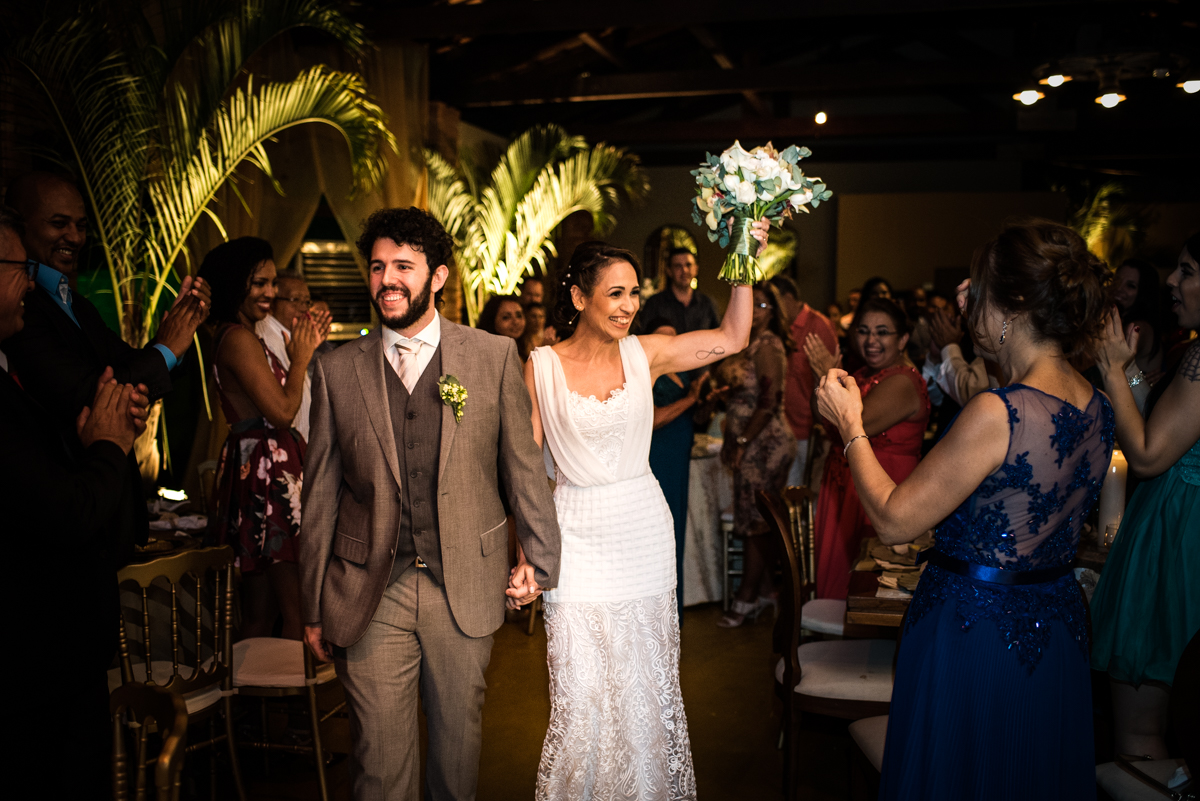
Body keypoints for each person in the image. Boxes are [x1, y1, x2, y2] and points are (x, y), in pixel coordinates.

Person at [817, 219, 1113, 801]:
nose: (966, 304)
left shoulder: (998, 412)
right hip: (1055, 628)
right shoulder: (1097, 403)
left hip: (973, 635)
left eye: (977, 289)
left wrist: (851, 426)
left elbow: (896, 519)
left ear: (1014, 304)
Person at [298, 207, 561, 801]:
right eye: (377, 267)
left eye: (403, 267)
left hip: (463, 583)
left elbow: (522, 469)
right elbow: (320, 494)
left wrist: (539, 564)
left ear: (437, 277)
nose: (387, 280)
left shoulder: (492, 356)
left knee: (456, 761)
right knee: (378, 767)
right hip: (369, 591)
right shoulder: (336, 370)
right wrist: (312, 604)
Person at [518, 224, 767, 800]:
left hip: (643, 532)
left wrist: (745, 254)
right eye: (615, 294)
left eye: (634, 292)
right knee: (580, 693)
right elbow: (529, 473)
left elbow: (732, 336)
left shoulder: (646, 353)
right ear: (579, 297)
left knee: (645, 689)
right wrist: (528, 556)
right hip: (574, 536)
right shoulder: (542, 368)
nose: (629, 306)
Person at [1, 207, 147, 800]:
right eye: (17, 267)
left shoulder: (29, 351)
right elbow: (64, 512)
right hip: (35, 663)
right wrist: (108, 447)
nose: (29, 282)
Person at [2, 172, 209, 562]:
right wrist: (166, 349)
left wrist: (176, 335)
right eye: (59, 223)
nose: (75, 238)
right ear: (18, 224)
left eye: (81, 226)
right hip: (64, 522)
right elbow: (90, 393)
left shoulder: (75, 303)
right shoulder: (21, 313)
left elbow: (126, 367)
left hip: (101, 516)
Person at [1089, 234, 1200, 761]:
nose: (1173, 283)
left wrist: (1110, 370)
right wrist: (1128, 369)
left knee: (1140, 733)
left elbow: (1151, 454)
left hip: (1177, 542)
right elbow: (1164, 424)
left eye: (1187, 271)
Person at [199, 238, 318, 641]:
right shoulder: (237, 338)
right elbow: (283, 412)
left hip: (264, 471)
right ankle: (301, 701)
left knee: (262, 614)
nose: (269, 293)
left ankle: (258, 703)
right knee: (298, 611)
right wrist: (300, 359)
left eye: (271, 283)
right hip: (268, 479)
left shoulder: (241, 334)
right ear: (234, 285)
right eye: (258, 284)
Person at [812, 296, 929, 600]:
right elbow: (824, 417)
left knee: (866, 586)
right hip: (844, 488)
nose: (871, 340)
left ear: (902, 339)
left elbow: (854, 424)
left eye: (882, 332)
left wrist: (829, 377)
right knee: (836, 585)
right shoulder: (862, 375)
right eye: (863, 331)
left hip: (879, 486)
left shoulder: (903, 381)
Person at [715, 282, 797, 627]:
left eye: (764, 307)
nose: (758, 313)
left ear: (775, 313)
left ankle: (746, 597)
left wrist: (743, 441)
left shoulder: (768, 346)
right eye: (754, 306)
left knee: (756, 524)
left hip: (766, 443)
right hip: (752, 441)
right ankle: (764, 591)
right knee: (754, 520)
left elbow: (768, 403)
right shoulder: (745, 343)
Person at [645, 319, 709, 624]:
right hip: (657, 454)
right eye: (662, 338)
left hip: (678, 453)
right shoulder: (645, 371)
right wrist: (690, 400)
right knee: (659, 530)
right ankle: (656, 613)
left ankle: (673, 610)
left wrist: (703, 399)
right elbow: (650, 418)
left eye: (674, 338)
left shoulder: (681, 368)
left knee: (676, 530)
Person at [771, 274, 837, 486]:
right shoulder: (781, 328)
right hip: (783, 426)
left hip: (807, 430)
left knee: (800, 496)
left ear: (788, 298)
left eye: (776, 303)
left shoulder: (818, 326)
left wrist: (822, 432)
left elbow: (831, 378)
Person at [255, 270, 332, 442]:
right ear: (273, 301)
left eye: (306, 301)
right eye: (295, 299)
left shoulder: (291, 335)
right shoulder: (264, 334)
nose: (303, 308)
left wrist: (310, 347)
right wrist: (301, 358)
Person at [637, 247, 720, 335]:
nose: (684, 270)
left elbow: (719, 336)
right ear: (669, 271)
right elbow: (641, 338)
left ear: (696, 269)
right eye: (678, 266)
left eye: (688, 265)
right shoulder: (654, 303)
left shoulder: (708, 303)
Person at [1112, 258, 1167, 382]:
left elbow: (1111, 361)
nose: (1119, 288)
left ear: (1143, 293)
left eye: (1130, 286)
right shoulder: (1121, 320)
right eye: (1117, 280)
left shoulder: (1137, 327)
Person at [476, 293, 527, 359]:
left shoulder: (523, 350)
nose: (515, 322)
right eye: (506, 317)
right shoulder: (488, 356)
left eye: (519, 316)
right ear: (491, 320)